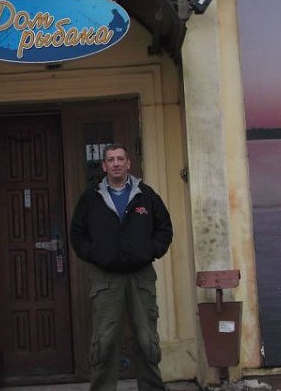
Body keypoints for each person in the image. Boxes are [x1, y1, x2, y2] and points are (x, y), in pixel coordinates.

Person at [70, 143, 173, 391]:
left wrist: (150, 251)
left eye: (120, 159)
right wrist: (95, 255)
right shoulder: (91, 198)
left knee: (147, 339)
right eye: (111, 159)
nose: (116, 163)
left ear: (128, 163)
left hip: (141, 277)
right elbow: (77, 233)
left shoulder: (146, 195)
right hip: (106, 279)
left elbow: (164, 228)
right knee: (104, 341)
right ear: (104, 166)